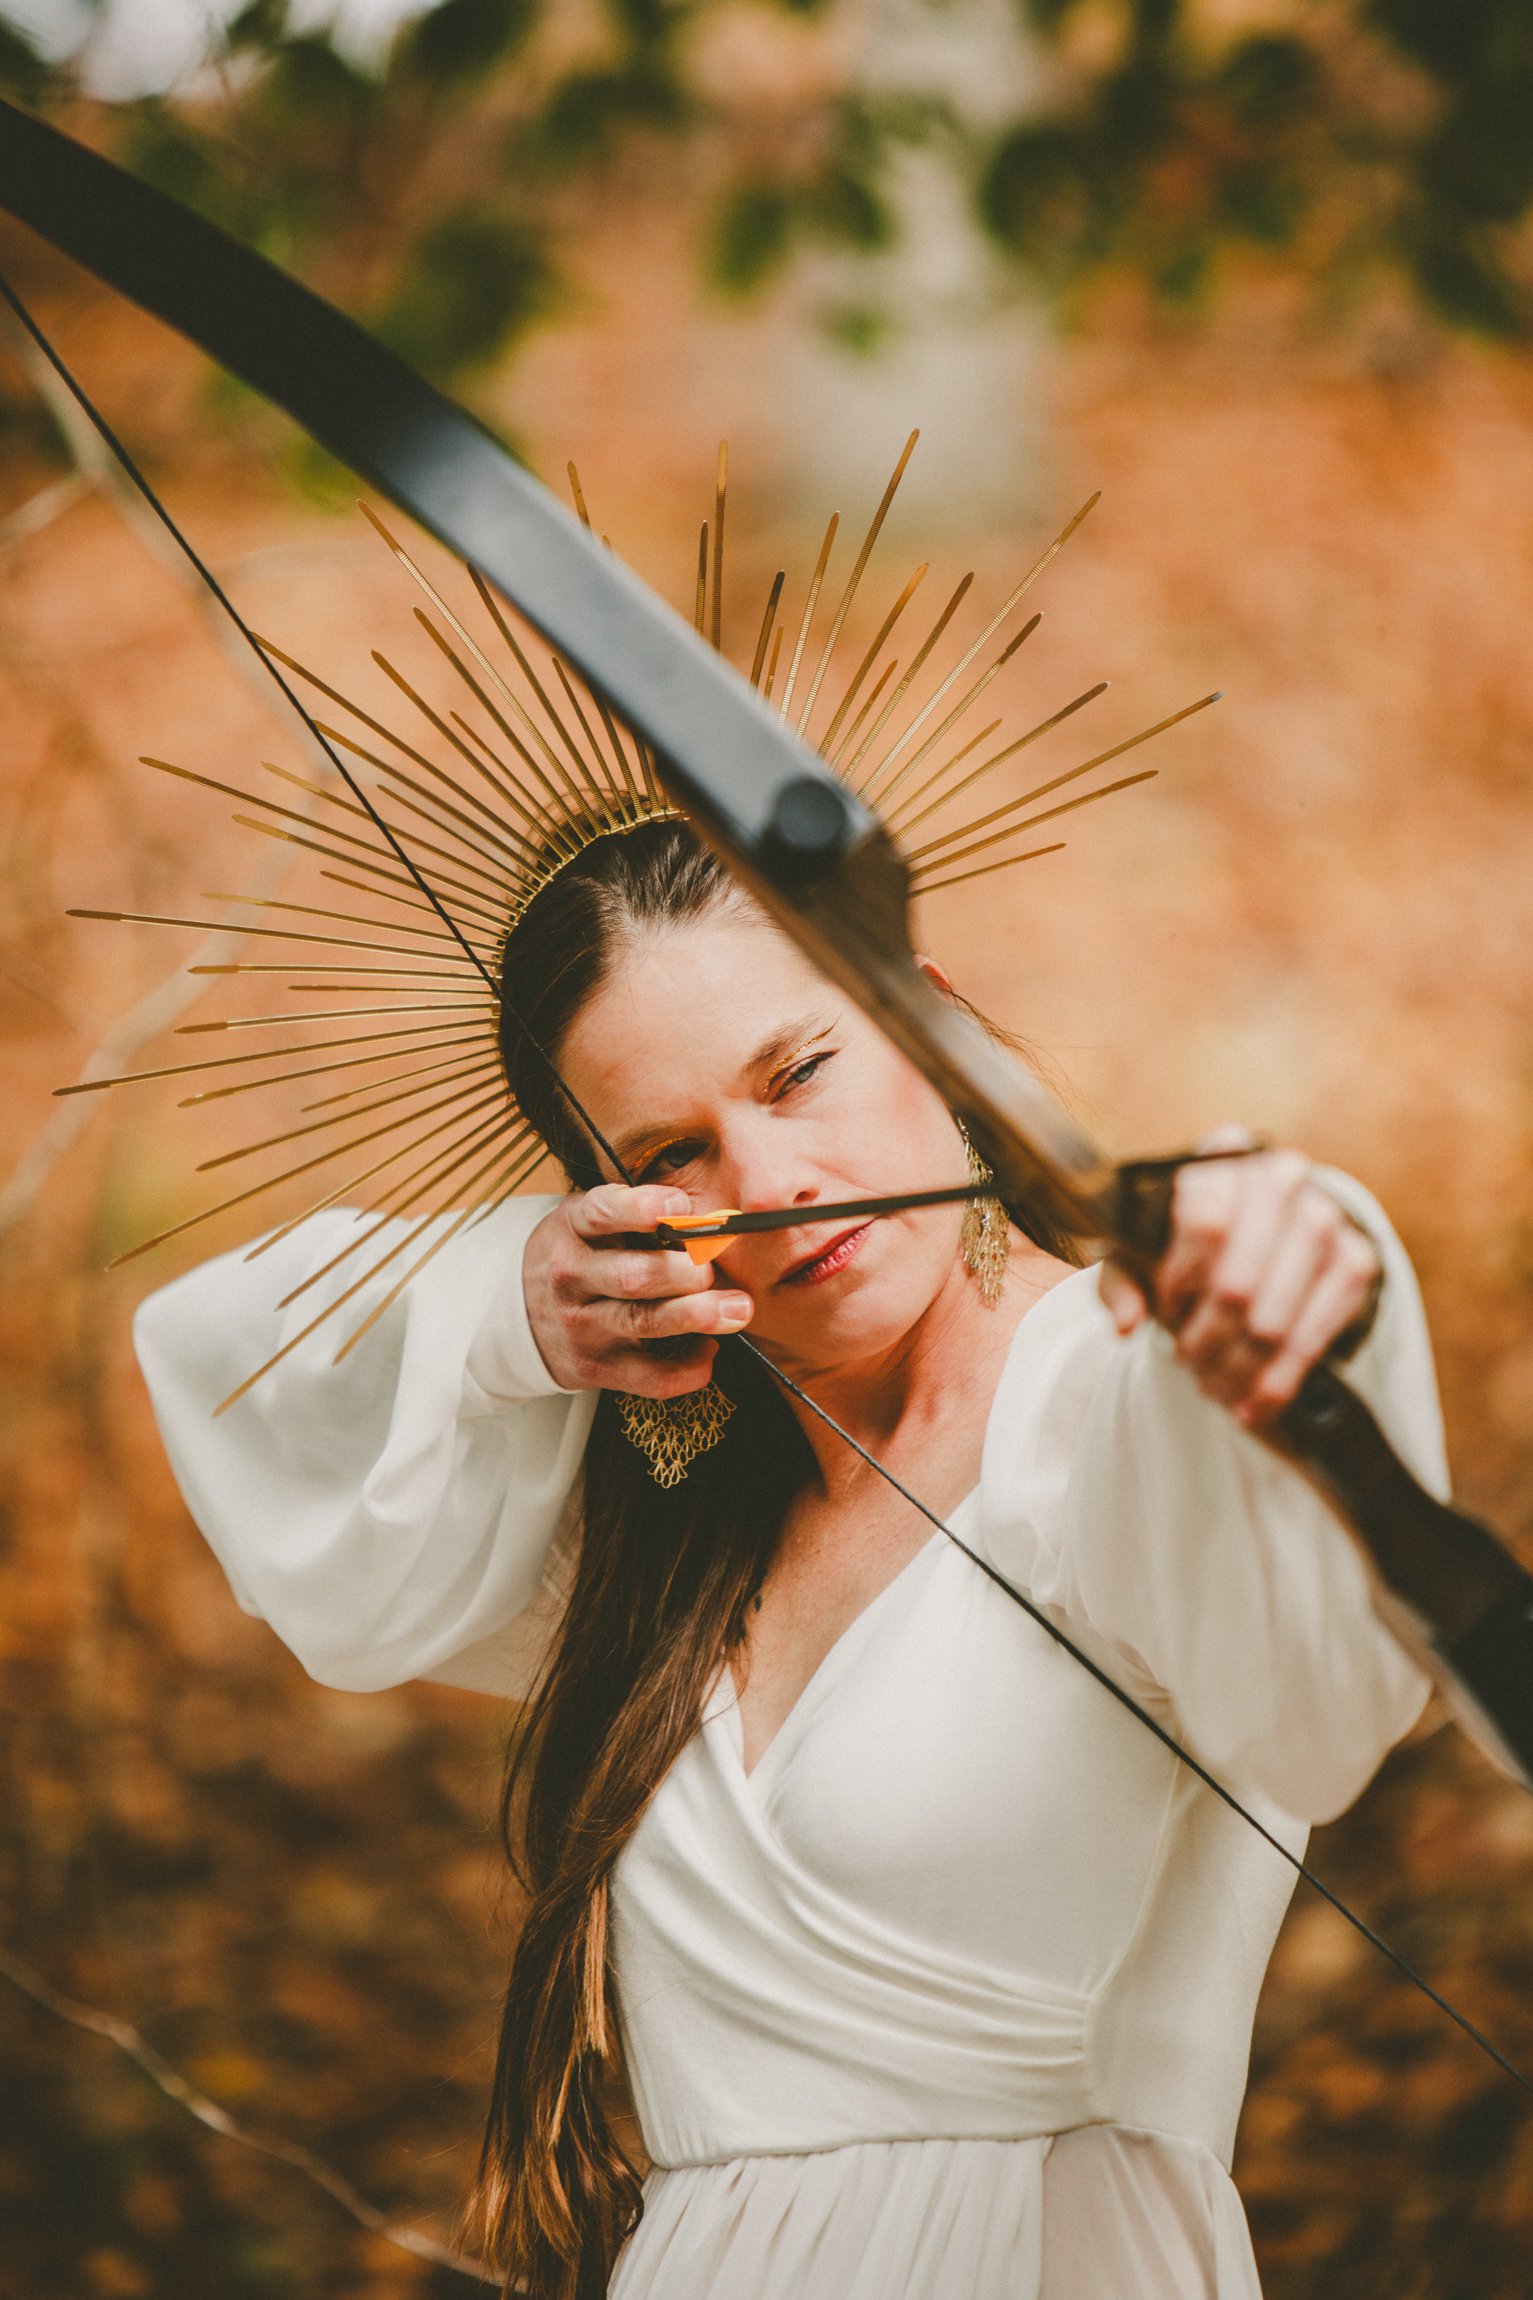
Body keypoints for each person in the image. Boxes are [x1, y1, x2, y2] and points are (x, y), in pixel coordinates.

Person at [133, 813, 1445, 2300]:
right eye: (671, 1153)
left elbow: (1323, 1687)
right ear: (615, 1211)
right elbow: (219, 1366)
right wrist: (511, 1302)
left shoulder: (1112, 1405)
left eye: (797, 1071)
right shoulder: (654, 1514)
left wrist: (1299, 1253)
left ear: (933, 1021)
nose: (766, 1181)